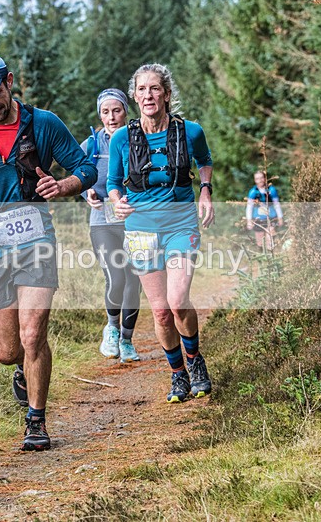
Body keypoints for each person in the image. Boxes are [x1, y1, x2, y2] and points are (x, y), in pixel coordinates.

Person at [0, 53, 97, 451]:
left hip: (35, 241)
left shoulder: (43, 124)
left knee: (32, 334)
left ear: (9, 82)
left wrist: (63, 186)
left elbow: (87, 167)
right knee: (7, 351)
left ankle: (36, 421)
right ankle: (23, 372)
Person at [107, 63, 214, 403]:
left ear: (167, 94)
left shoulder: (190, 131)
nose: (148, 95)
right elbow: (112, 183)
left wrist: (206, 191)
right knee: (161, 311)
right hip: (141, 229)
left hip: (180, 224)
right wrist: (115, 201)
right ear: (135, 97)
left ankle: (195, 362)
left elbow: (205, 161)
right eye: (142, 90)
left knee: (178, 299)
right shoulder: (123, 138)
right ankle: (177, 375)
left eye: (155, 89)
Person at [80, 88, 142, 363]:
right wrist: (88, 194)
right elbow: (78, 176)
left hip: (136, 221)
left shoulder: (139, 140)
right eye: (105, 112)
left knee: (134, 282)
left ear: (126, 112)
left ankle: (127, 341)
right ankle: (112, 328)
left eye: (116, 110)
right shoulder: (91, 146)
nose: (111, 117)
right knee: (116, 278)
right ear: (99, 115)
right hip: (102, 222)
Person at [246, 170, 284, 250]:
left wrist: (280, 218)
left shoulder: (271, 190)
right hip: (258, 219)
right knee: (260, 242)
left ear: (265, 178)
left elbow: (277, 204)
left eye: (261, 178)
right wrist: (249, 221)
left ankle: (271, 254)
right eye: (257, 179)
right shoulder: (253, 192)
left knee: (270, 238)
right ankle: (261, 257)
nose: (260, 180)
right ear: (255, 180)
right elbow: (249, 207)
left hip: (271, 217)